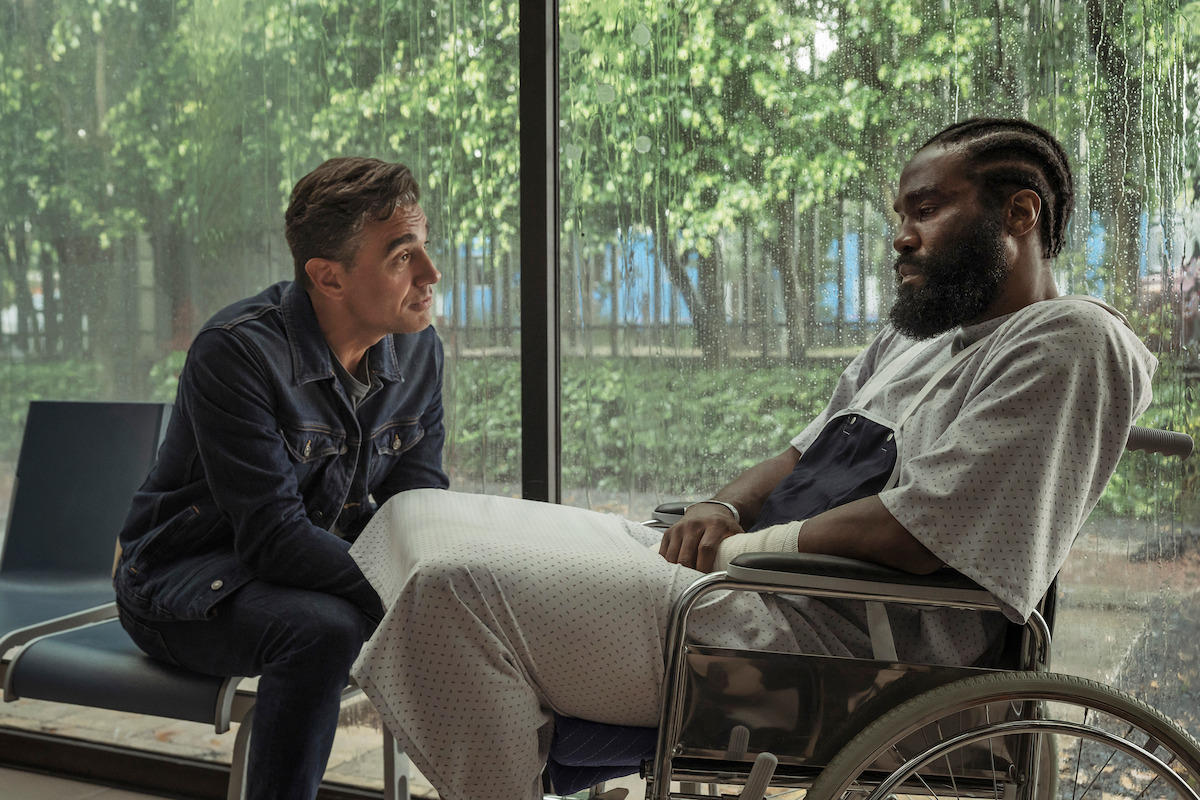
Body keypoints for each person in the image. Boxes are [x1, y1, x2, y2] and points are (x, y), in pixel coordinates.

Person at [347, 118, 1158, 800]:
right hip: (753, 583)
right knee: (417, 518)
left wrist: (744, 548)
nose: (901, 236)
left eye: (927, 209)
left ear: (1020, 212)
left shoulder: (1072, 339)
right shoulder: (919, 339)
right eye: (901, 214)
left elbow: (917, 533)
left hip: (833, 643)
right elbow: (801, 452)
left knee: (458, 592)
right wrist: (723, 508)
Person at [112, 157, 449, 800]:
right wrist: (417, 598)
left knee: (456, 601)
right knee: (325, 630)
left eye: (425, 246)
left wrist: (451, 585)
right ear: (328, 277)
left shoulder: (418, 349)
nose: (431, 273)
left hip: (301, 574)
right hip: (180, 581)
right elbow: (274, 539)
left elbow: (417, 507)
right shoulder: (236, 351)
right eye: (403, 255)